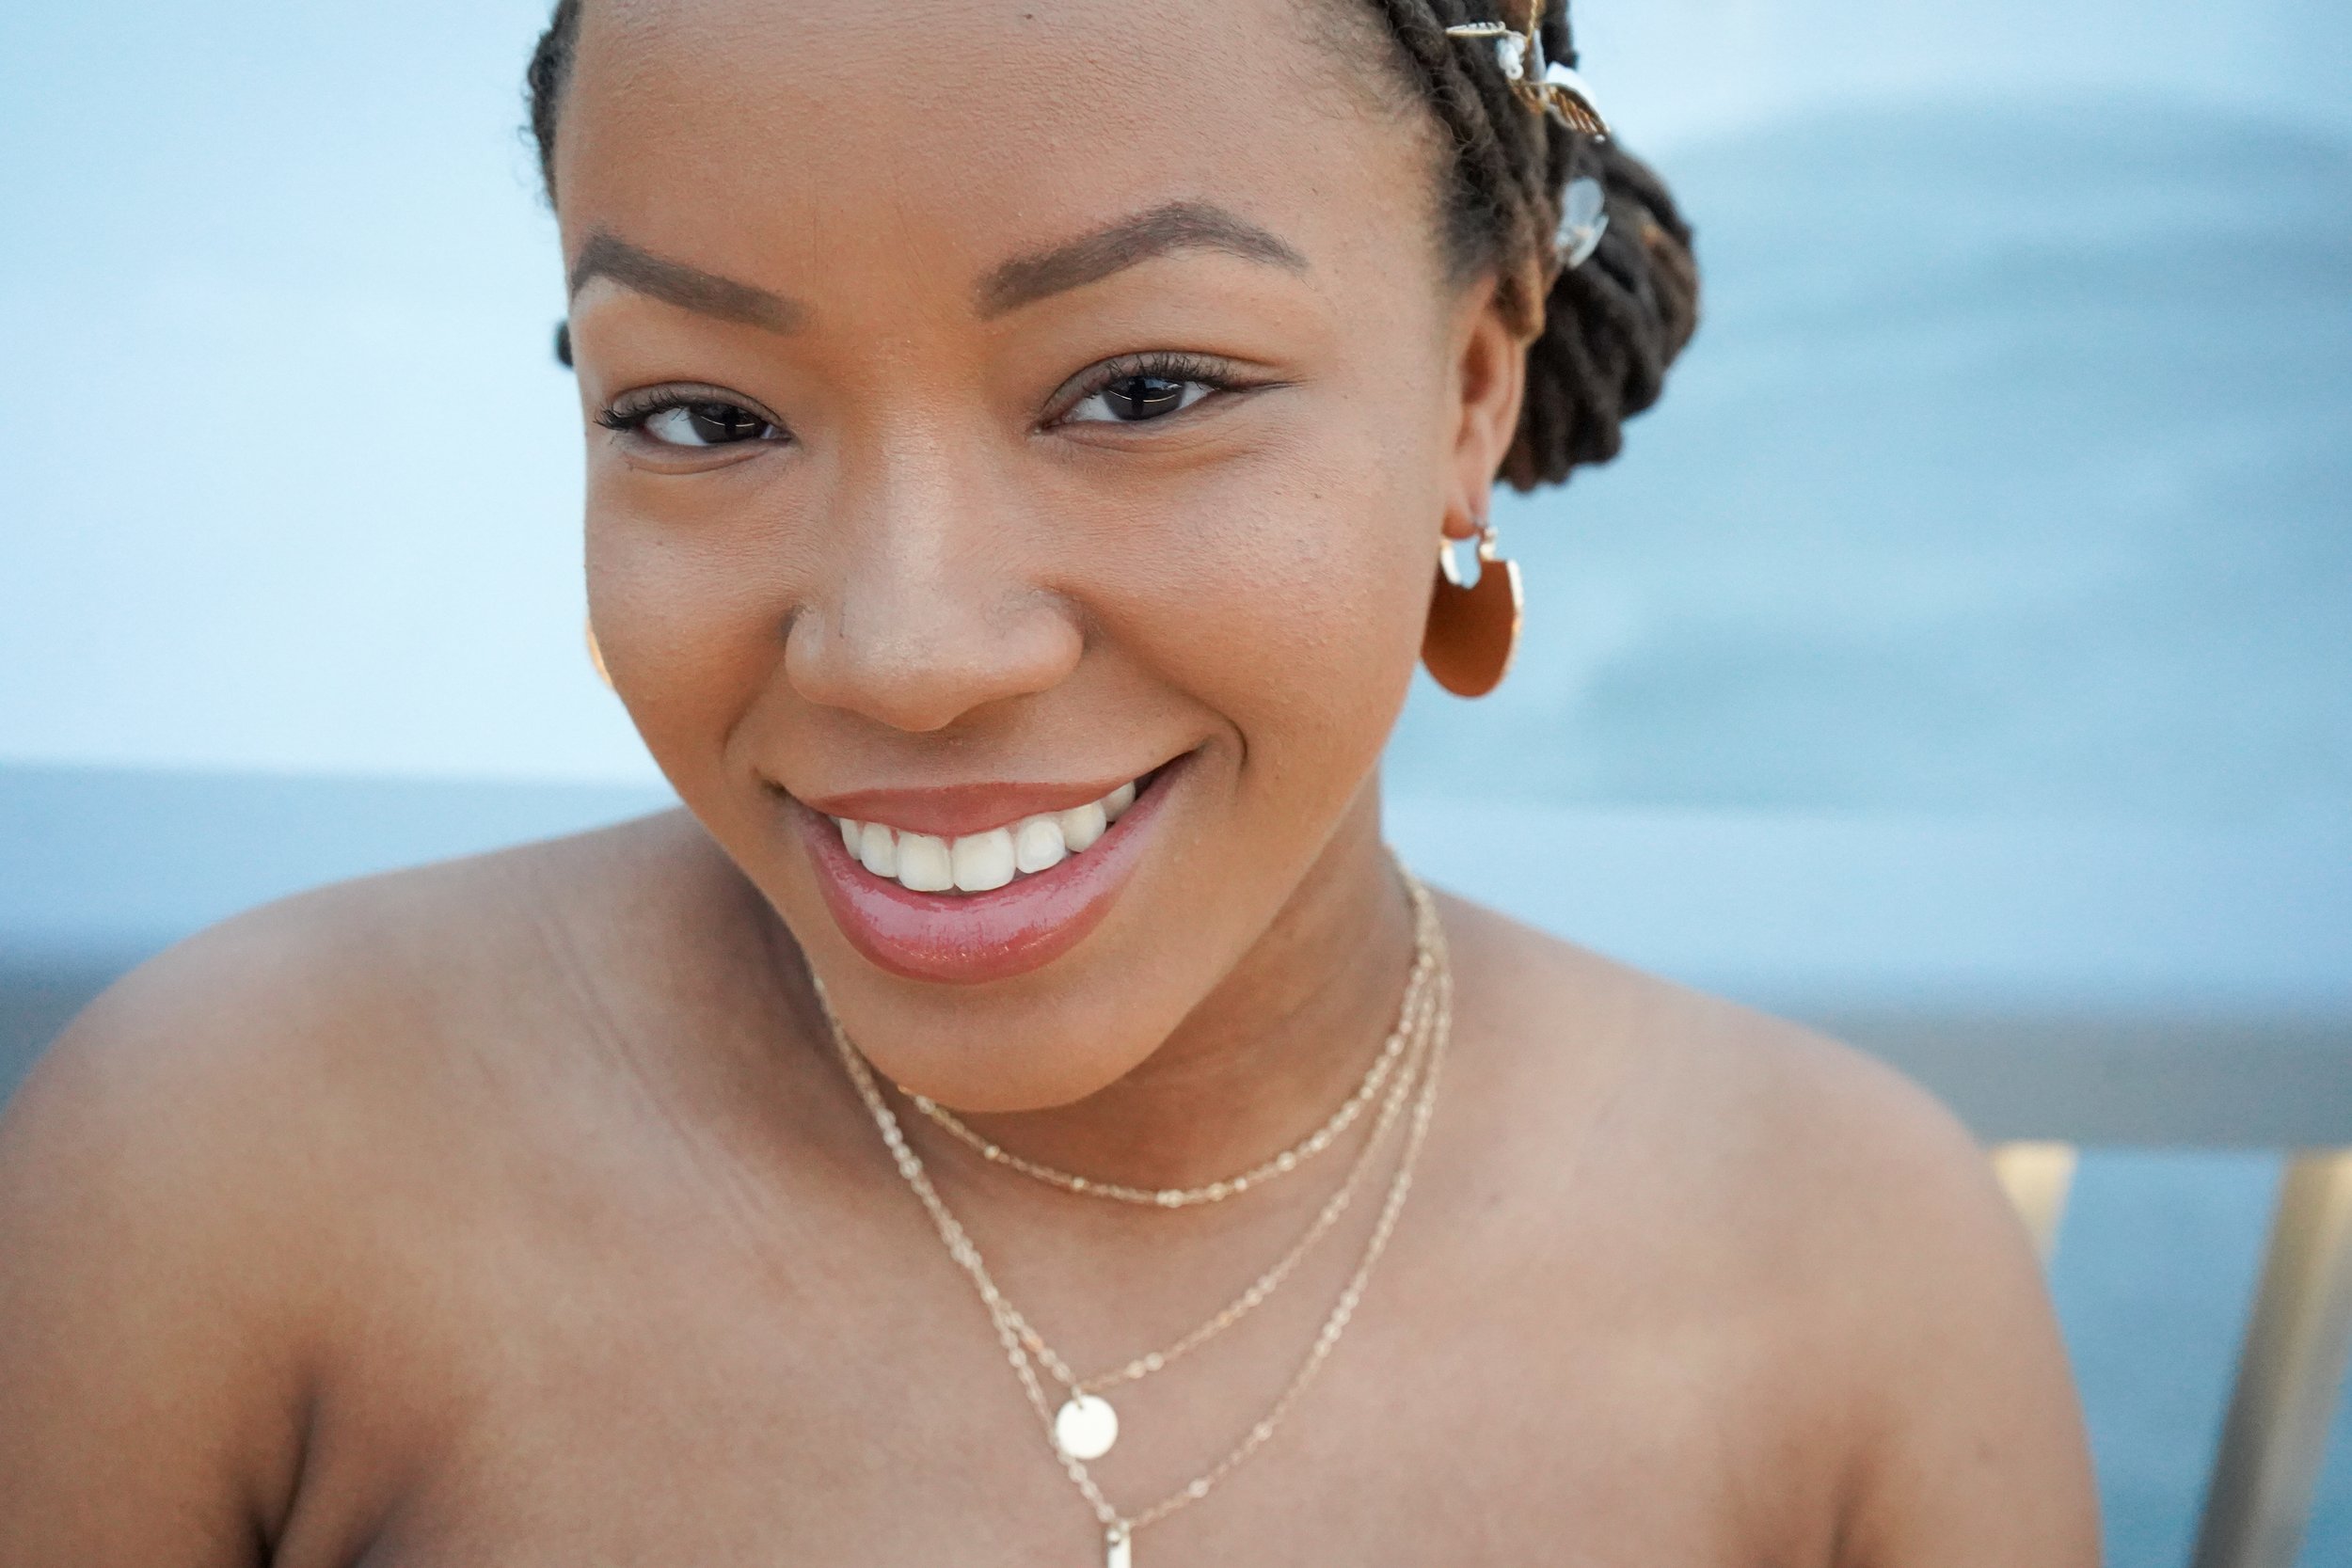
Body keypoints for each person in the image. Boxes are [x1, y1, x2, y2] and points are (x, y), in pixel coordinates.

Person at [0, 2, 2098, 1563]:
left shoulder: (1850, 1294)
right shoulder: (231, 1172)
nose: (900, 654)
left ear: (1469, 391)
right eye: (704, 414)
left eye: (1143, 388)